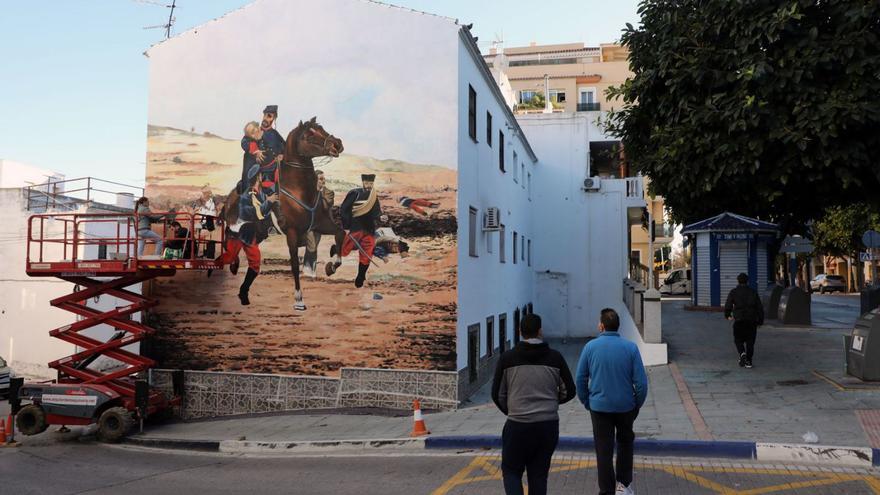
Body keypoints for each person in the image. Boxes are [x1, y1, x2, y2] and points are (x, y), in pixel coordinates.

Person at [491, 313, 575, 495]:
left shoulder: (507, 358)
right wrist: (552, 402)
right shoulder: (555, 358)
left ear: (520, 332)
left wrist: (512, 409)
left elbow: (497, 394)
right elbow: (570, 390)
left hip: (517, 425)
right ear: (540, 332)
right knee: (538, 475)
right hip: (547, 426)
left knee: (511, 471)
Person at [576, 308, 648, 495]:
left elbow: (580, 379)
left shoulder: (590, 347)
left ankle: (606, 490)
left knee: (603, 449)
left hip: (599, 407)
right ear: (618, 327)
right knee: (625, 444)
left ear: (601, 326)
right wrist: (636, 404)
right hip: (625, 407)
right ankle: (623, 485)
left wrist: (587, 402)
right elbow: (641, 383)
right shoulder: (631, 348)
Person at [217, 164, 278, 305]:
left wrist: (269, 204)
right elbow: (250, 213)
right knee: (229, 257)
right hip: (237, 232)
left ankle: (243, 291)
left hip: (249, 232)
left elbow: (264, 214)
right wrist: (268, 203)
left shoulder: (261, 193)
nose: (264, 177)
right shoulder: (246, 196)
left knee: (255, 264)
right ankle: (212, 265)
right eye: (262, 175)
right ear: (258, 177)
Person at [334, 173, 387, 288]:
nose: (369, 185)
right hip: (355, 227)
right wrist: (347, 226)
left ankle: (361, 276)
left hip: (368, 229)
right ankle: (336, 249)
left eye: (371, 183)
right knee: (345, 250)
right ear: (363, 182)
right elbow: (344, 210)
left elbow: (376, 212)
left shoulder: (373, 196)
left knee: (367, 252)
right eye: (367, 183)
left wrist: (381, 217)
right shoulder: (355, 193)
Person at [724, 272, 764, 369]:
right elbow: (759, 308)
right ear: (747, 281)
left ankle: (742, 353)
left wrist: (727, 315)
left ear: (738, 281)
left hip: (739, 320)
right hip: (751, 320)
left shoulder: (733, 292)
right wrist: (760, 321)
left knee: (738, 339)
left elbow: (728, 304)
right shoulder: (753, 292)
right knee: (750, 342)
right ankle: (749, 361)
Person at [303, 169, 335, 277]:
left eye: (324, 179)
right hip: (309, 225)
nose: (323, 181)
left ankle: (310, 269)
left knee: (314, 247)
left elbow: (326, 206)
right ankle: (308, 269)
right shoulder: (308, 193)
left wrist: (319, 193)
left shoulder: (328, 193)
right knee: (311, 246)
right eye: (321, 179)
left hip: (320, 225)